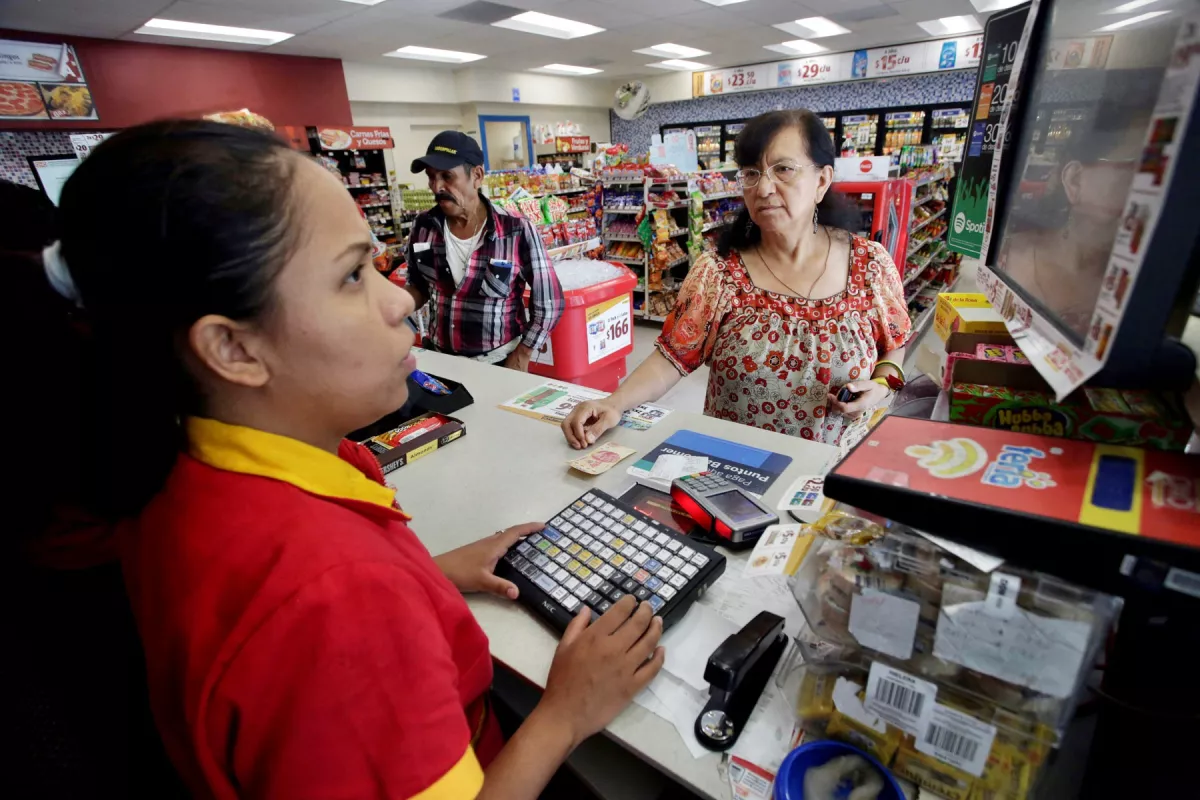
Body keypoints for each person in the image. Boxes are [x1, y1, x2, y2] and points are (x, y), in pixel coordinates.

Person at [33, 120, 663, 799]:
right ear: (233, 349)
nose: (398, 302)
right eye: (353, 275)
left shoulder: (172, 478)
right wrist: (565, 713)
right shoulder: (334, 596)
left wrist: (429, 574)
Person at [563, 109, 911, 449]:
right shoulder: (720, 273)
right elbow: (672, 357)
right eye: (751, 173)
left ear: (821, 180)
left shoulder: (870, 266)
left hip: (830, 471)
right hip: (735, 469)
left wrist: (881, 385)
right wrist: (614, 403)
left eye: (783, 169)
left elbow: (894, 343)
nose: (764, 188)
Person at [405, 131, 564, 371]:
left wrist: (523, 353)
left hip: (498, 362)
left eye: (447, 176)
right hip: (440, 360)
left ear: (477, 176)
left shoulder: (516, 229)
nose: (437, 187)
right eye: (431, 177)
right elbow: (418, 285)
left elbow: (549, 301)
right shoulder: (424, 225)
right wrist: (393, 308)